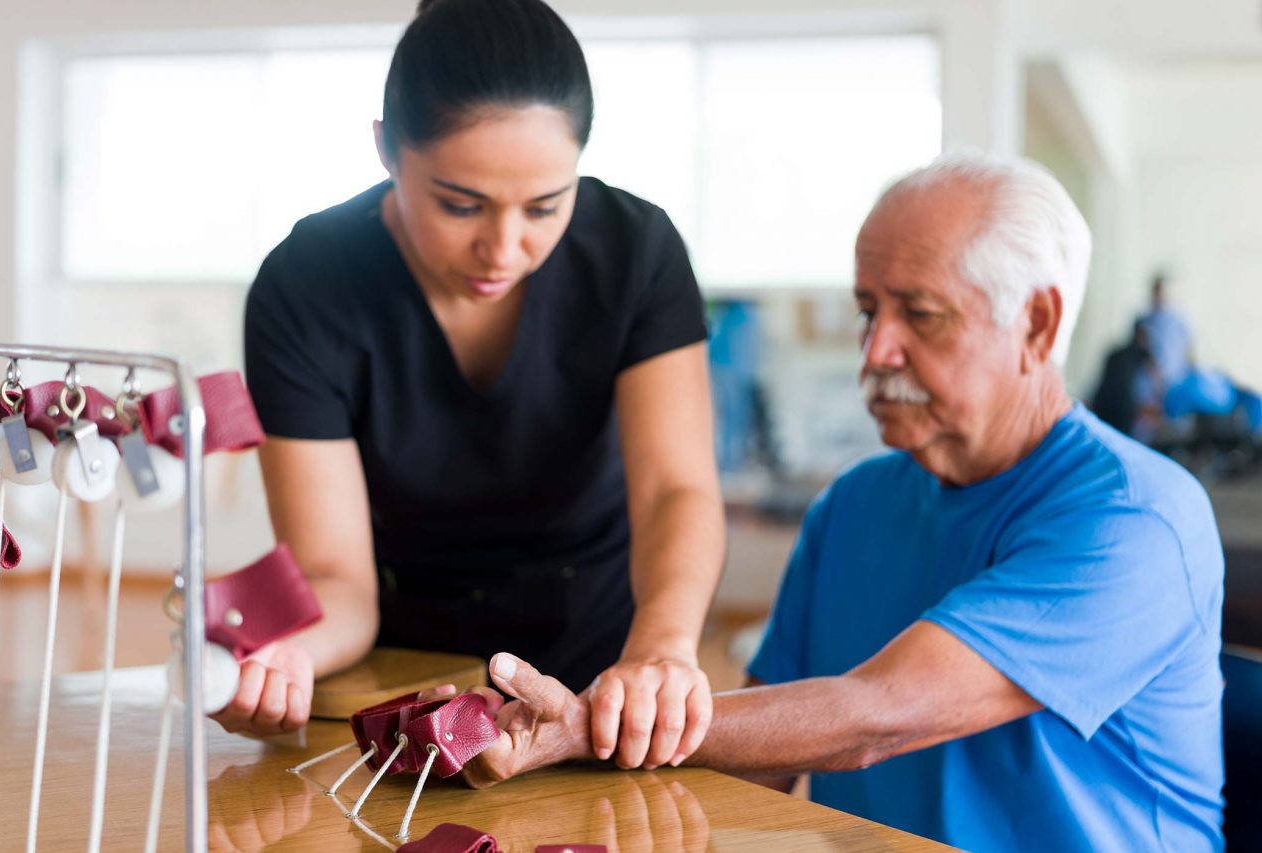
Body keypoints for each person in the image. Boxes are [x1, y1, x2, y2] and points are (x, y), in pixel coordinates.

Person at [457, 153, 1226, 853]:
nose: (875, 351)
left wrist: (590, 727)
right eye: (868, 311)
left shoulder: (1136, 519)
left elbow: (879, 713)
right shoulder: (854, 505)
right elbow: (756, 765)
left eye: (919, 315)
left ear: (1037, 322)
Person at [228, 0, 725, 774]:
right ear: (387, 149)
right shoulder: (307, 285)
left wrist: (662, 650)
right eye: (460, 205)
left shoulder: (637, 252)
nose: (504, 248)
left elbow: (675, 491)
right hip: (404, 667)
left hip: (607, 663)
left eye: (545, 206)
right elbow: (337, 577)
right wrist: (286, 653)